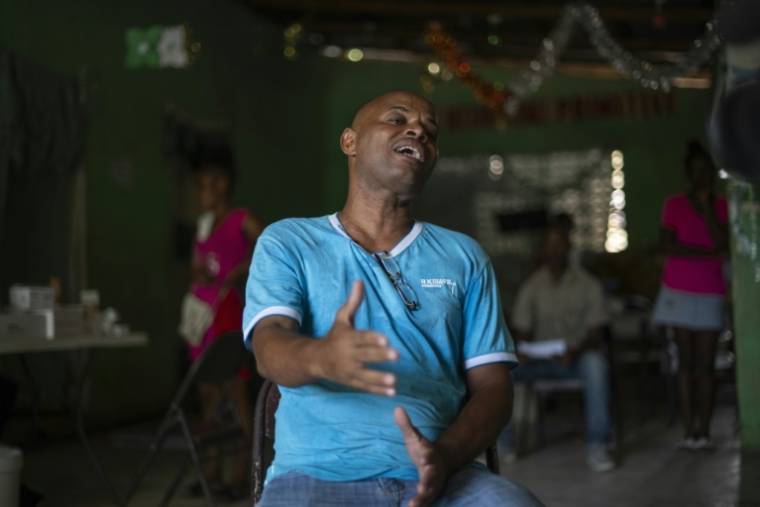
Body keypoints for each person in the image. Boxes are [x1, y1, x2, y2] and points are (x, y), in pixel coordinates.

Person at [243, 91, 544, 507]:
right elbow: (268, 347)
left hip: (443, 473)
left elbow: (494, 387)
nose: (419, 130)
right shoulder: (289, 241)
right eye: (397, 118)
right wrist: (321, 357)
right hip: (316, 476)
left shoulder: (464, 257)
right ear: (349, 142)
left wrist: (444, 457)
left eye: (430, 131)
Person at [502, 220, 615, 472]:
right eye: (549, 245)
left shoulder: (588, 284)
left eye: (560, 244)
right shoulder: (532, 286)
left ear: (569, 247)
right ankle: (503, 445)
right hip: (539, 361)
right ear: (542, 250)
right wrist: (523, 348)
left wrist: (575, 350)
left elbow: (597, 332)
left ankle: (598, 445)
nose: (555, 251)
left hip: (573, 359)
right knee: (500, 369)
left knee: (596, 365)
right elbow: (521, 328)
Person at [186, 153, 264, 496]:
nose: (207, 190)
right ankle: (211, 472)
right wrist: (197, 273)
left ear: (224, 187)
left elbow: (270, 243)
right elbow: (195, 263)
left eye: (212, 184)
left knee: (236, 392)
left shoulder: (241, 219)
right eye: (202, 185)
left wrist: (243, 268)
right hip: (201, 311)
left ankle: (243, 475)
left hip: (227, 309)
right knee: (208, 394)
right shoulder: (203, 223)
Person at [652, 140, 729, 451]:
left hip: (711, 292)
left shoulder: (721, 206)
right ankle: (689, 431)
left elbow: (723, 246)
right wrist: (706, 252)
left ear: (712, 173)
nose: (702, 177)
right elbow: (667, 246)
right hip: (678, 291)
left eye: (706, 171)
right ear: (688, 174)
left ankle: (705, 429)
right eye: (696, 172)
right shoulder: (674, 205)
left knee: (706, 364)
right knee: (684, 362)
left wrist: (708, 210)